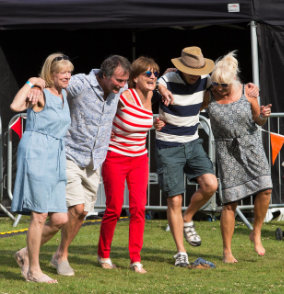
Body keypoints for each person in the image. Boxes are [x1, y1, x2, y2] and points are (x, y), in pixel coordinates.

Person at [49, 55, 131, 276]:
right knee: (74, 208)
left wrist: (165, 84)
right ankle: (61, 256)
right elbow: (55, 85)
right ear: (104, 75)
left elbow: (144, 82)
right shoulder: (81, 84)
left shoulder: (118, 90)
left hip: (94, 161)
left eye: (125, 81)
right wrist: (36, 86)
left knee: (83, 212)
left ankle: (54, 254)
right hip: (69, 154)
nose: (122, 86)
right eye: (118, 81)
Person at [11, 53, 74, 283]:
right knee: (39, 215)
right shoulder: (40, 93)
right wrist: (30, 82)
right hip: (37, 151)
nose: (67, 75)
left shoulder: (64, 94)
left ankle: (25, 253)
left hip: (56, 154)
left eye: (69, 71)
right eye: (63, 72)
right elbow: (15, 105)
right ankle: (33, 271)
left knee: (59, 218)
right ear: (51, 74)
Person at [205, 51, 272, 263]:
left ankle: (257, 232)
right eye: (215, 84)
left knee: (266, 188)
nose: (219, 88)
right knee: (229, 202)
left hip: (251, 146)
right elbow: (190, 106)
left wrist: (264, 115)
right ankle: (227, 251)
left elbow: (258, 120)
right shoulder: (209, 94)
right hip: (227, 151)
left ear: (233, 80)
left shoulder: (247, 92)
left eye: (223, 85)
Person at [154, 46, 219, 267]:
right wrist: (162, 91)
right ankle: (181, 252)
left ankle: (188, 218)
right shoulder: (169, 77)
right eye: (190, 70)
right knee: (174, 198)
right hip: (169, 145)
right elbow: (156, 82)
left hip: (192, 142)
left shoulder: (205, 79)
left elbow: (218, 89)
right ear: (181, 68)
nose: (195, 74)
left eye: (197, 70)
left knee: (211, 185)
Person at [97, 56, 159, 274]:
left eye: (155, 74)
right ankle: (104, 254)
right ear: (134, 78)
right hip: (115, 156)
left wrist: (156, 122)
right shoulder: (123, 94)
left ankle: (135, 259)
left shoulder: (151, 94)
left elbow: (170, 79)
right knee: (113, 208)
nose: (153, 77)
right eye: (148, 74)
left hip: (139, 158)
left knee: (139, 209)